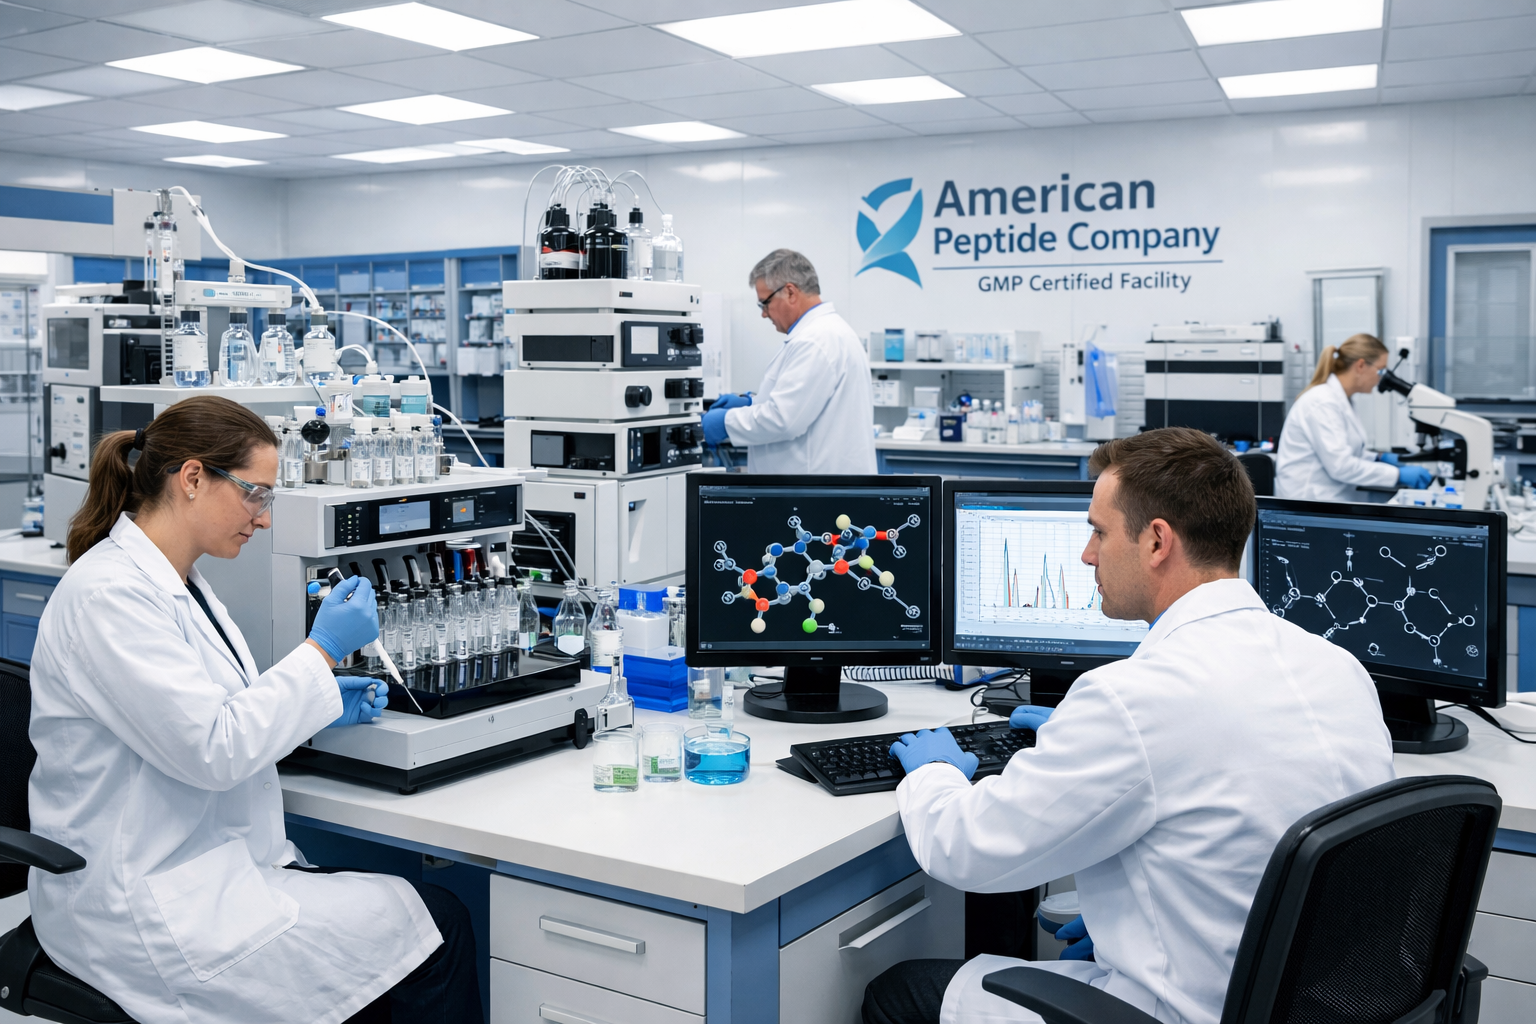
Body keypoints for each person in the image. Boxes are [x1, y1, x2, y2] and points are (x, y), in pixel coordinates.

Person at [866, 427, 1395, 1024]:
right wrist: (1126, 922)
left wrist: (935, 772)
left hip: (1184, 1012)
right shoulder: (1338, 666)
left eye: (1099, 531)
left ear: (1157, 542)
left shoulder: (1134, 698)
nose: (1087, 555)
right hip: (1310, 1000)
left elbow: (967, 851)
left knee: (898, 993)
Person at [29, 396, 481, 1024]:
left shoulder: (180, 583)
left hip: (205, 868)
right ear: (192, 478)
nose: (263, 519)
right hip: (140, 903)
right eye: (256, 495)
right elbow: (213, 747)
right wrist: (321, 651)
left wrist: (317, 706)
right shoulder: (108, 595)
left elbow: (207, 714)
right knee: (438, 925)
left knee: (412, 923)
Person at [702, 248, 877, 474]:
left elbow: (782, 419)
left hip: (815, 486)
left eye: (764, 303)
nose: (764, 314)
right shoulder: (825, 333)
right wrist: (752, 403)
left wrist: (725, 422)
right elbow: (800, 404)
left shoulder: (815, 340)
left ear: (790, 292)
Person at [1276, 333, 1432, 501]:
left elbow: (1347, 452)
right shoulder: (1322, 402)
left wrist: (1378, 458)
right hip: (1308, 501)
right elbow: (1341, 466)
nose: (1381, 378)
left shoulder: (1343, 399)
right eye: (1380, 370)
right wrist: (1397, 474)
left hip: (1329, 497)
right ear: (1361, 366)